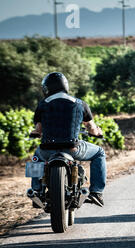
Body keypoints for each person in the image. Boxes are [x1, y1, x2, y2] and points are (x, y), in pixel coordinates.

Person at [30, 72, 106, 207]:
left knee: (36, 157)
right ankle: (96, 192)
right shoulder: (80, 103)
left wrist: (35, 133)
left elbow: (38, 129)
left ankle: (36, 191)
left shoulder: (42, 105)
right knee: (99, 152)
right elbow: (91, 127)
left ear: (47, 88)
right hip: (72, 149)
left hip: (47, 150)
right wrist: (97, 133)